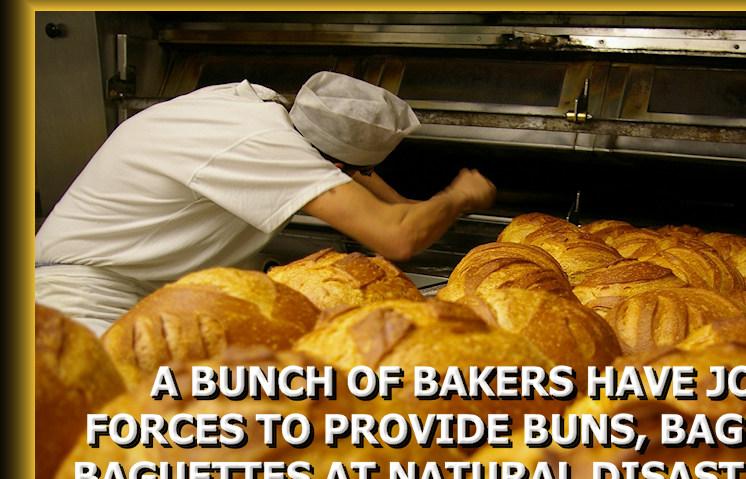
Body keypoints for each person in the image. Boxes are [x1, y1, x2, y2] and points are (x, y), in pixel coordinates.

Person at [34, 71, 496, 336]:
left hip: (149, 293)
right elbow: (397, 237)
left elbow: (358, 174)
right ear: (332, 164)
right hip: (84, 299)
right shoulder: (262, 144)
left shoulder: (256, 109)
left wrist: (415, 204)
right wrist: (457, 197)